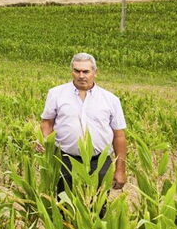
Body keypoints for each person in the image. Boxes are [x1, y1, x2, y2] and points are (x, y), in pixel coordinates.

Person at [40, 52, 127, 198]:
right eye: (77, 71)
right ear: (72, 72)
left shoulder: (110, 99)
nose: (81, 76)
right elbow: (47, 122)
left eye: (86, 71)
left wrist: (120, 170)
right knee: (64, 206)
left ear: (95, 72)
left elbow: (119, 136)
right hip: (65, 160)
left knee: (98, 208)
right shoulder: (56, 94)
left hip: (98, 162)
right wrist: (46, 142)